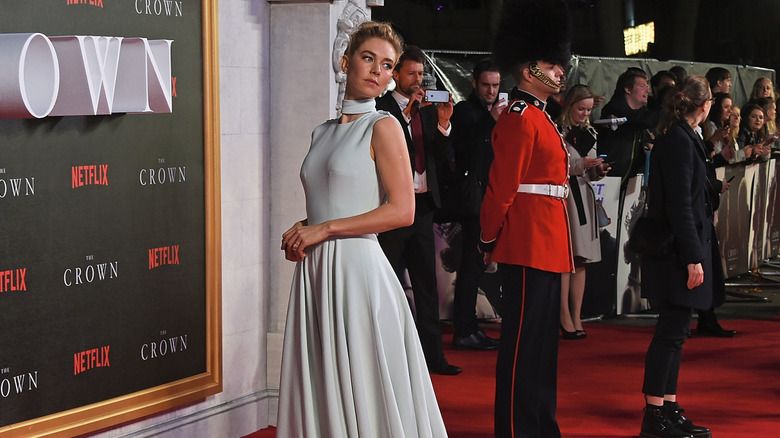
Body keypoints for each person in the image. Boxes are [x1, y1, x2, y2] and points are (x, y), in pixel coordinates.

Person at [277, 22, 448, 437]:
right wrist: (305, 227)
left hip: (357, 271)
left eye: (386, 65)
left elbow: (402, 210)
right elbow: (332, 197)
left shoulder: (384, 126)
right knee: (324, 381)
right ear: (345, 61)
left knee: (364, 386)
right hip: (316, 273)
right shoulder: (321, 132)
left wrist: (325, 229)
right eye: (368, 58)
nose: (377, 70)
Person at [483, 0, 574, 435]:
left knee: (541, 348)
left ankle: (540, 425)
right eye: (551, 65)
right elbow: (502, 188)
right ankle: (517, 429)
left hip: (548, 241)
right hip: (525, 242)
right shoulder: (521, 118)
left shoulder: (541, 116)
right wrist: (488, 238)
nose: (560, 73)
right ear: (527, 69)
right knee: (521, 348)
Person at [639, 74, 724, 438]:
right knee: (670, 332)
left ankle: (668, 406)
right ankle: (655, 415)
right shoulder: (677, 140)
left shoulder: (683, 137)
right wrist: (693, 257)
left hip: (680, 248)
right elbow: (679, 205)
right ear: (704, 107)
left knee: (676, 332)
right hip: (675, 252)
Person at [375, 45, 461, 375]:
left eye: (421, 74)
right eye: (411, 73)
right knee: (389, 285)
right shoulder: (381, 108)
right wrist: (406, 116)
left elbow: (441, 155)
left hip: (423, 208)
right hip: (391, 211)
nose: (417, 79)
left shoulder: (427, 110)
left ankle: (433, 358)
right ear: (394, 75)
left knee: (427, 287)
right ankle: (389, 360)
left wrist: (442, 125)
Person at [448, 59, 506, 350]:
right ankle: (465, 329)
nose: (491, 91)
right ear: (474, 83)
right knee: (470, 267)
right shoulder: (464, 111)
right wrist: (491, 121)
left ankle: (468, 328)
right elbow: (466, 150)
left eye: (496, 85)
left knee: (476, 266)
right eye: (486, 85)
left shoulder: (488, 113)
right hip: (472, 203)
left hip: (488, 199)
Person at [557, 84, 610, 340]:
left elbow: (588, 169)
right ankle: (563, 315)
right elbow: (554, 165)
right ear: (570, 105)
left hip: (584, 196)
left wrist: (597, 170)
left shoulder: (589, 131)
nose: (585, 114)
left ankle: (577, 315)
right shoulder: (557, 129)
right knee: (566, 259)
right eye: (581, 109)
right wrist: (581, 165)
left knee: (581, 260)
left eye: (588, 110)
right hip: (564, 198)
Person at [598, 68, 660, 185]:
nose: (647, 90)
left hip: (634, 179)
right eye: (642, 86)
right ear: (627, 89)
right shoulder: (615, 108)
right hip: (611, 177)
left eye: (647, 86)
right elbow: (642, 120)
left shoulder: (643, 114)